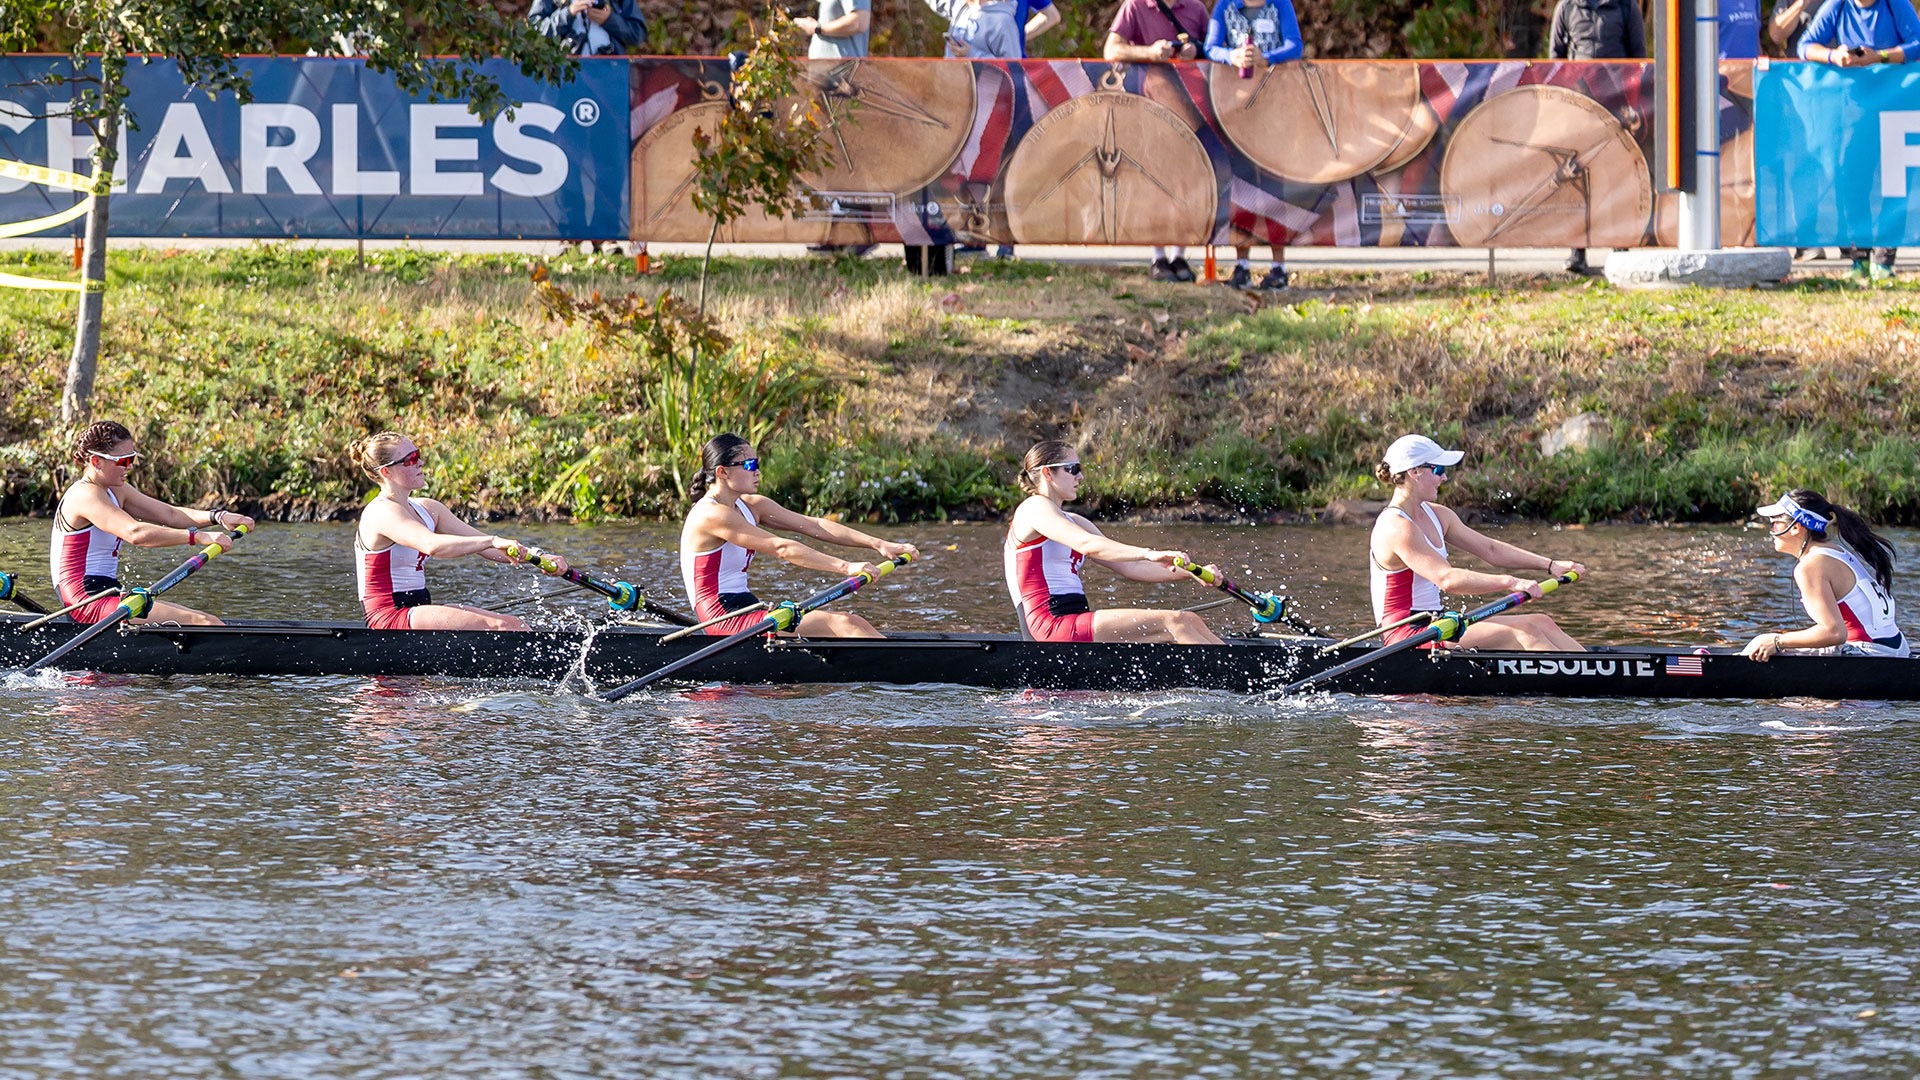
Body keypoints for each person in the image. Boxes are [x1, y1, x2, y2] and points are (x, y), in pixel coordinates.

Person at [681, 434, 918, 638]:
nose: (758, 471)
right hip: (721, 618)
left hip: (747, 607)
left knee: (854, 623)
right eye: (750, 464)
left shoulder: (751, 506)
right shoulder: (710, 514)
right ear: (722, 472)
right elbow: (781, 547)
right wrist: (847, 567)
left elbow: (814, 525)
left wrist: (878, 544)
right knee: (846, 624)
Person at [1369, 434, 1586, 651]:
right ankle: (1579, 681)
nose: (1444, 478)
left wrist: (1550, 565)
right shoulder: (1396, 527)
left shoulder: (1439, 515)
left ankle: (1595, 675)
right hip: (1407, 635)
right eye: (1439, 470)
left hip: (1438, 622)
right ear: (1414, 472)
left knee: (1541, 622)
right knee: (1523, 634)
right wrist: (1511, 582)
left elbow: (1490, 550)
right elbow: (1447, 579)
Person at [1004, 439, 1224, 644]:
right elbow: (1087, 545)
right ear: (1047, 473)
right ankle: (1232, 680)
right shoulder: (1033, 509)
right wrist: (1148, 552)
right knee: (1175, 622)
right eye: (1073, 469)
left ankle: (1237, 673)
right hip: (1047, 625)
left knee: (1190, 620)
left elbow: (1132, 566)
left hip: (1075, 619)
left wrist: (1194, 572)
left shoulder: (1076, 521)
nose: (1080, 477)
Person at [350, 432, 568, 631]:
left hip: (418, 609)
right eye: (411, 460)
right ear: (386, 471)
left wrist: (539, 556)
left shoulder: (428, 509)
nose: (421, 463)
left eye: (418, 454)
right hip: (388, 617)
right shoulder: (381, 512)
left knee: (516, 624)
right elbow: (432, 545)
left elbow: (485, 546)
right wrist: (492, 540)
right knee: (502, 626)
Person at [50, 421, 257, 626]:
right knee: (204, 623)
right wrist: (197, 536)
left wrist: (218, 517)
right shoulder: (85, 495)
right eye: (123, 461)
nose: (129, 467)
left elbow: (169, 514)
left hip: (108, 593)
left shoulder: (115, 489)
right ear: (96, 461)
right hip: (84, 601)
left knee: (209, 621)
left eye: (132, 458)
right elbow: (135, 533)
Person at [1799, 0, 1920, 283]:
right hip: (1852, 111)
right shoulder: (1837, 5)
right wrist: (1834, 56)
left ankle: (1884, 261)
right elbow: (1804, 46)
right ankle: (1859, 260)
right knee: (1853, 182)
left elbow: (1918, 43)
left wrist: (1880, 57)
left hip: (1894, 107)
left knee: (1893, 184)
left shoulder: (1895, 4)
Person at [1106, 0, 1208, 283]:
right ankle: (1158, 256)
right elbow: (1111, 49)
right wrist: (1149, 52)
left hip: (1189, 109)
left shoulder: (1196, 8)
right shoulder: (1135, 6)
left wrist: (1195, 50)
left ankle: (1179, 255)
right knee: (1154, 179)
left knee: (1185, 179)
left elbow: (1213, 49)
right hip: (1147, 107)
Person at [1741, 491, 1908, 660]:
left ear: (1796, 528)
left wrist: (1777, 641)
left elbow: (1834, 632)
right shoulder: (1836, 551)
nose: (1771, 530)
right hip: (1899, 650)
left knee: (1761, 645)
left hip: (1870, 653)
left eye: (1775, 523)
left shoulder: (1810, 566)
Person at [1204, 0, 1300, 291]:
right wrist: (1230, 56)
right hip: (1235, 110)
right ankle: (1242, 265)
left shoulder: (1280, 4)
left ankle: (1278, 266)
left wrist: (1266, 57)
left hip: (1274, 109)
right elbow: (1210, 46)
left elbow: (1295, 46)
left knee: (1275, 188)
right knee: (1240, 188)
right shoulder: (1225, 7)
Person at [1548, 0, 1646, 277]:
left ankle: (1620, 246)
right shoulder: (1566, 7)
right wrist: (1564, 98)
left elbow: (1639, 57)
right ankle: (1577, 251)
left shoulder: (1627, 7)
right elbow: (1555, 58)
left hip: (1617, 103)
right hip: (1579, 105)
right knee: (1579, 178)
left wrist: (1633, 104)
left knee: (1617, 174)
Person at [528, 0, 646, 55]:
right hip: (565, 75)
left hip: (610, 74)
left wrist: (610, 20)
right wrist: (568, 13)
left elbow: (637, 34)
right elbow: (534, 30)